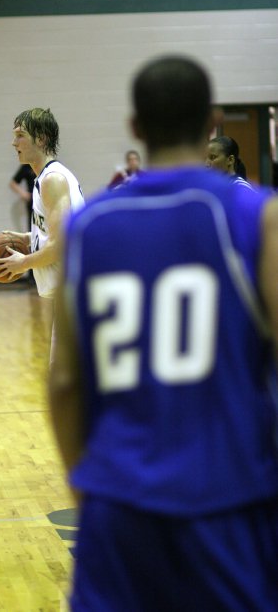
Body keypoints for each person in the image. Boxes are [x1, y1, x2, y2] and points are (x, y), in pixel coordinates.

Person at [49, 56, 278, 611]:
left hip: (118, 503)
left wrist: (91, 491)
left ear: (136, 128)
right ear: (213, 122)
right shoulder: (258, 217)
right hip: (227, 498)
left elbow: (62, 385)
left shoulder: (89, 227)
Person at [0, 107, 84, 300]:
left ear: (40, 139)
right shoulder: (44, 178)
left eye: (20, 135)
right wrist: (29, 237)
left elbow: (60, 246)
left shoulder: (53, 180)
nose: (13, 142)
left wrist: (23, 263)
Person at [9, 163, 36, 232]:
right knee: (33, 228)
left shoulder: (48, 165)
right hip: (32, 202)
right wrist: (24, 194)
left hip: (46, 201)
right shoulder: (27, 166)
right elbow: (13, 183)